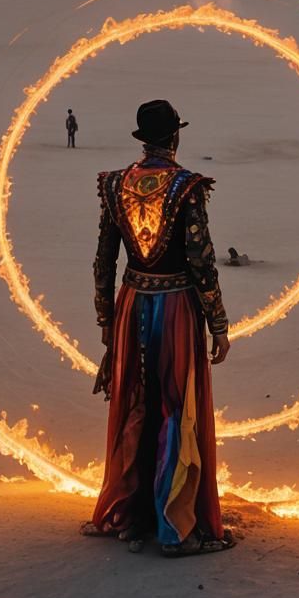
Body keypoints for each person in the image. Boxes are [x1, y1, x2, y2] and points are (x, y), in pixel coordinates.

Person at [81, 100, 233, 557]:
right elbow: (202, 262)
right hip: (176, 307)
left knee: (136, 399)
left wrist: (107, 319)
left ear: (143, 139)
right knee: (175, 405)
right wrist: (218, 323)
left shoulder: (115, 185)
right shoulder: (187, 188)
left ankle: (132, 513)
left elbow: (104, 259)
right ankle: (176, 526)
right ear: (176, 137)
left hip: (132, 304)